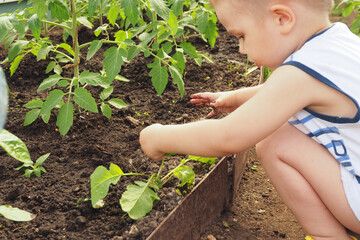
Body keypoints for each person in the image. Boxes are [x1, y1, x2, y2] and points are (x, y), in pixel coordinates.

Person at [139, 0, 360, 239]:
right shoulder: (340, 42)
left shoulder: (302, 75)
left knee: (276, 142)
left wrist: (158, 137)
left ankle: (328, 235)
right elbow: (293, 90)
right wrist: (236, 97)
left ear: (282, 19)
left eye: (241, 36)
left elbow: (228, 136)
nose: (241, 49)